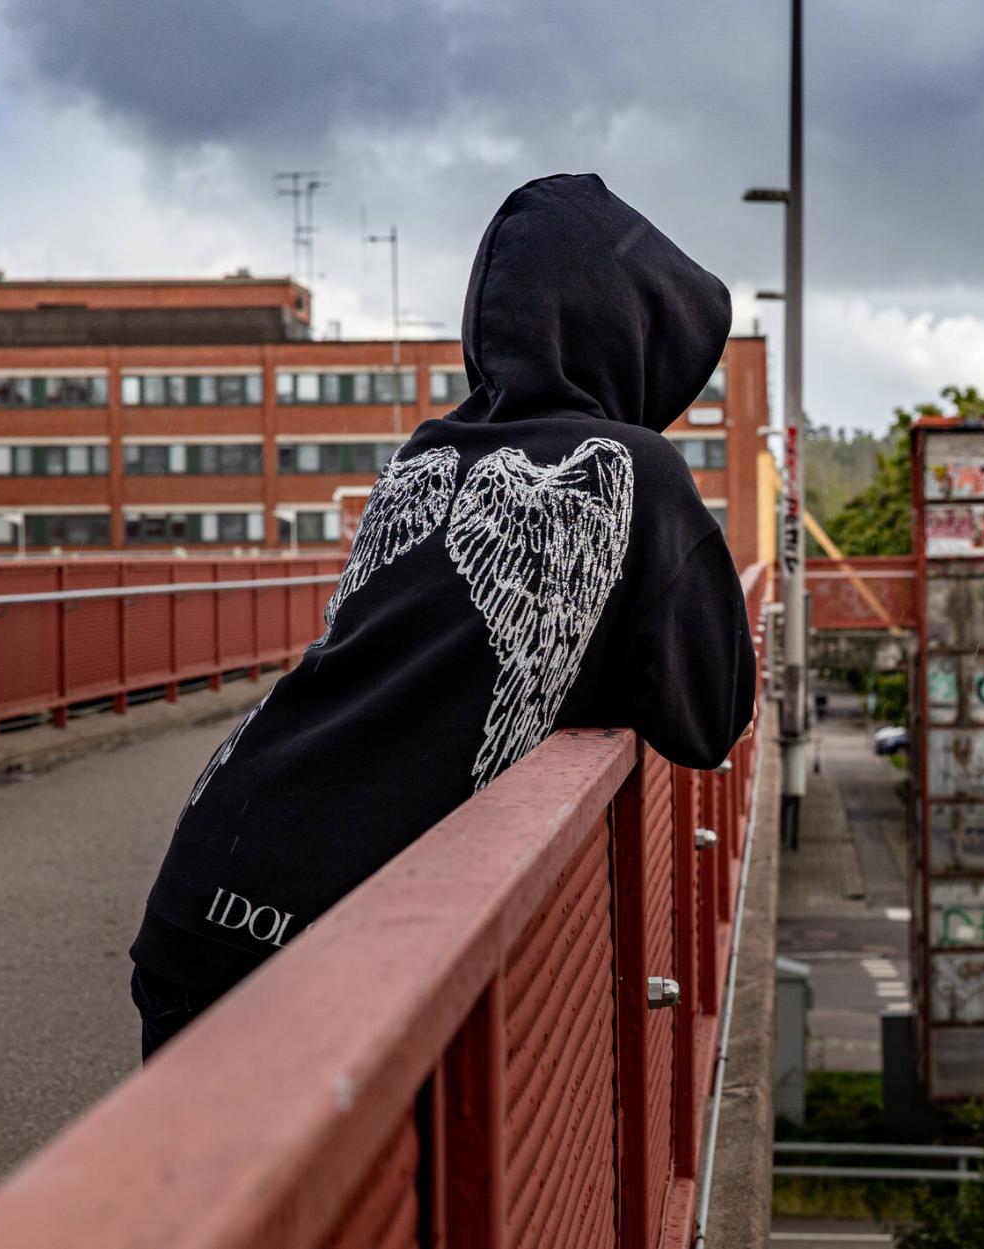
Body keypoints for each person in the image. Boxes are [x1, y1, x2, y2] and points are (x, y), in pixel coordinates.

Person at [130, 174, 756, 1057]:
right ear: (634, 335)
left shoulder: (425, 450)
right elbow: (711, 717)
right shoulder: (634, 471)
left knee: (187, 1153)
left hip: (208, 882)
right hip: (343, 944)